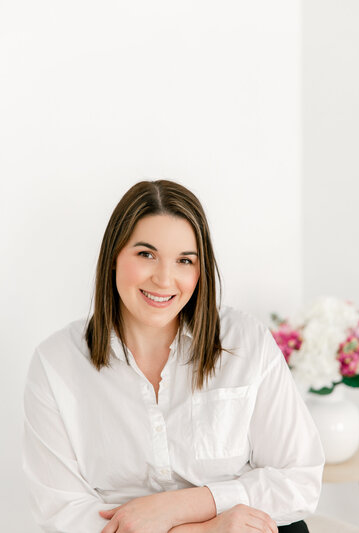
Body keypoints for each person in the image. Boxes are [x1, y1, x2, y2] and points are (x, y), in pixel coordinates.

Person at [22, 179, 325, 533]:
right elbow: (61, 511)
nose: (165, 279)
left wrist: (184, 505)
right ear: (114, 258)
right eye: (146, 254)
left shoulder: (246, 341)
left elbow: (299, 480)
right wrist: (198, 531)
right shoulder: (56, 363)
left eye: (185, 260)